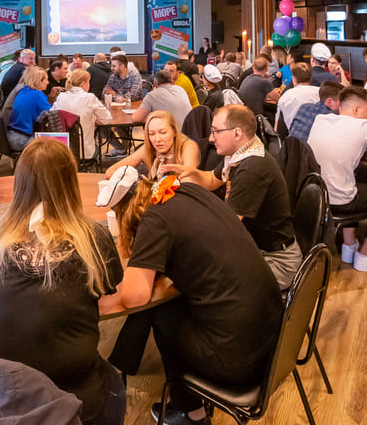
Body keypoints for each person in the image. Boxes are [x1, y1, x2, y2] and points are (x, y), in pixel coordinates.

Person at [99, 165, 282, 425]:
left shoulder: (154, 218)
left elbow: (134, 296)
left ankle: (191, 413)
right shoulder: (185, 190)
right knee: (168, 299)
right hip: (273, 336)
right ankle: (120, 368)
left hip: (239, 359)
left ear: (124, 214)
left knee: (161, 312)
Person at [0, 139, 125, 425]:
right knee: (114, 385)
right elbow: (112, 298)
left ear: (20, 180)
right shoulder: (93, 237)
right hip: (61, 398)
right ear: (70, 183)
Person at [173, 105, 301, 290]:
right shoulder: (242, 152)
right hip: (256, 249)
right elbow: (212, 180)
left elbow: (227, 227)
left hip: (278, 261)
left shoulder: (252, 169)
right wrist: (190, 172)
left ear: (237, 133)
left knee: (200, 280)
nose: (211, 138)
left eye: (216, 131)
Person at [307, 87, 367, 274]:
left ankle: (349, 245)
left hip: (316, 196)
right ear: (355, 110)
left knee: (359, 176)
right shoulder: (363, 126)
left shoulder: (320, 119)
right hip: (340, 201)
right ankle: (366, 255)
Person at [104, 109, 199, 180]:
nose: (157, 139)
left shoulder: (188, 147)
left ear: (174, 132)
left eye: (163, 132)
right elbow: (110, 172)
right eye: (152, 134)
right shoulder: (148, 148)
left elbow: (189, 178)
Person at [52, 69, 113, 159]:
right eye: (89, 82)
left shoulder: (61, 97)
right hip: (84, 152)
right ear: (83, 84)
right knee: (96, 147)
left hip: (63, 149)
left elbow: (52, 116)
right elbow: (107, 119)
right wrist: (93, 118)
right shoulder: (89, 98)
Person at [8, 66, 52, 152]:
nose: (48, 82)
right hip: (23, 139)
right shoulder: (38, 95)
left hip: (11, 136)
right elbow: (51, 115)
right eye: (46, 80)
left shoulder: (22, 91)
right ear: (39, 81)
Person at [275, 62, 319, 133]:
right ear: (311, 78)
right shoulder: (320, 93)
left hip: (292, 136)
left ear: (294, 79)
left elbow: (277, 127)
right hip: (316, 135)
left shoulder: (285, 96)